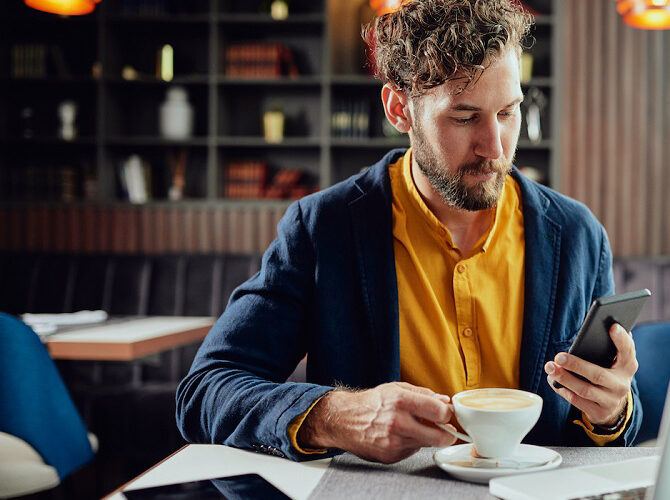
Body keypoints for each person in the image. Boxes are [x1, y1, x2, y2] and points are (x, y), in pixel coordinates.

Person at [175, 0, 642, 464]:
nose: (494, 147)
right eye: (464, 117)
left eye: (508, 112)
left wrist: (613, 411)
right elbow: (206, 390)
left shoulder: (579, 233)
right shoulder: (323, 228)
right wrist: (338, 416)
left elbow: (613, 417)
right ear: (399, 109)